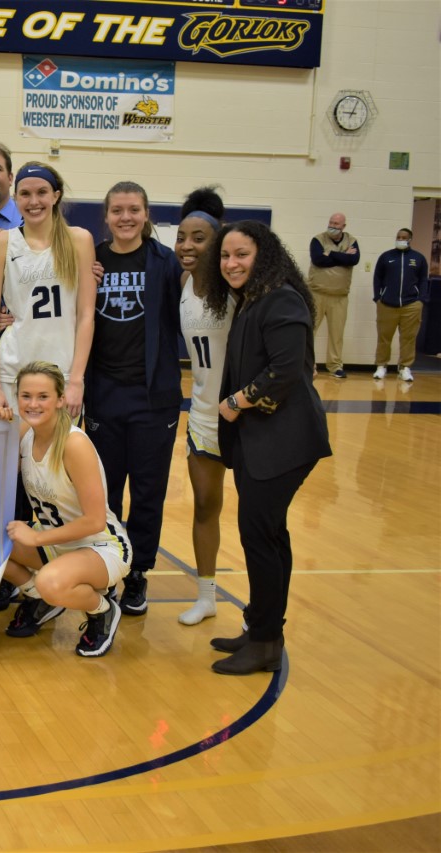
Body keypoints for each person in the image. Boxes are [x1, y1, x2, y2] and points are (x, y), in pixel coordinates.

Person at [201, 220, 331, 675]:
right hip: (266, 440)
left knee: (261, 538)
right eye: (225, 256)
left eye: (241, 255)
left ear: (264, 256)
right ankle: (261, 628)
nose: (231, 264)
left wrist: (237, 401)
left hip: (285, 441)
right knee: (269, 536)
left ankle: (265, 643)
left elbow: (286, 370)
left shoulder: (281, 299)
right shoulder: (254, 299)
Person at [85, 180, 182, 618]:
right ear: (105, 217)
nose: (126, 217)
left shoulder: (167, 263)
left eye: (134, 210)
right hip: (104, 394)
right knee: (104, 494)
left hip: (153, 399)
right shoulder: (91, 262)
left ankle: (138, 572)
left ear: (147, 215)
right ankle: (108, 567)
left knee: (148, 492)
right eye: (117, 210)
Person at [0, 362, 132, 657]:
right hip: (58, 543)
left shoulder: (73, 444)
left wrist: (36, 539)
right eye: (25, 396)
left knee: (50, 581)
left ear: (59, 400)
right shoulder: (25, 433)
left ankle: (102, 611)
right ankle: (40, 597)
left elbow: (94, 521)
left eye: (43, 396)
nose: (33, 404)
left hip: (101, 545)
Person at [0, 162, 96, 418]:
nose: (34, 201)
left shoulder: (79, 240)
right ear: (15, 198)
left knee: (59, 455)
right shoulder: (1, 243)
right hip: (13, 369)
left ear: (56, 195)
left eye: (42, 192)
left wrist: (77, 379)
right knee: (13, 456)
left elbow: (86, 316)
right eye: (25, 194)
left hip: (62, 370)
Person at [176, 187, 232, 626]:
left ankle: (265, 608)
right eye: (182, 237)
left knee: (254, 517)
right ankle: (207, 595)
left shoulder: (237, 288)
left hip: (244, 415)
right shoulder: (181, 284)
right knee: (204, 506)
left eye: (199, 238)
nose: (188, 246)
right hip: (201, 414)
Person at [305, 212, 359, 378]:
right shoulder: (318, 240)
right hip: (317, 293)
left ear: (343, 226)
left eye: (336, 224)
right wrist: (343, 256)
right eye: (331, 222)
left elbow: (354, 260)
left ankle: (335, 366)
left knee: (337, 333)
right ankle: (307, 364)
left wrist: (331, 254)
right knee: (309, 330)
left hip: (340, 296)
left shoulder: (352, 241)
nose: (333, 226)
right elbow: (318, 260)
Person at [371, 228, 427, 382]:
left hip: (411, 305)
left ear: (410, 240)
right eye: (398, 237)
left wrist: (421, 299)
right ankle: (381, 366)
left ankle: (405, 367)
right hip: (387, 304)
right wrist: (378, 297)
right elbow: (377, 278)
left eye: (404, 237)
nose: (400, 239)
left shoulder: (419, 258)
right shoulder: (386, 257)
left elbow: (423, 279)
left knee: (408, 338)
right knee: (384, 337)